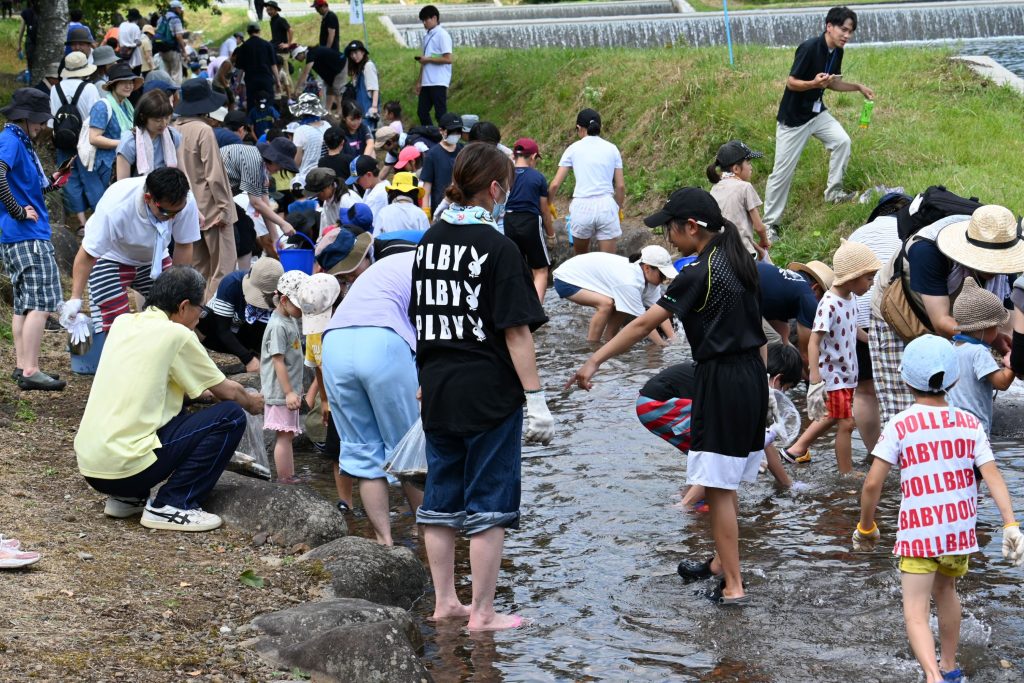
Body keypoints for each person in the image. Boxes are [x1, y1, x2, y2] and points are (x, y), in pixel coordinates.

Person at [568, 187, 768, 604]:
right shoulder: (740, 262)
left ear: (691, 227)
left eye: (670, 230)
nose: (668, 238)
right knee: (725, 481)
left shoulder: (698, 273)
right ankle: (720, 563)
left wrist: (594, 360)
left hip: (721, 380)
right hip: (751, 376)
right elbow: (759, 328)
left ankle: (733, 586)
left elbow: (642, 325)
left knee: (717, 488)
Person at [411, 143, 553, 630]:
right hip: (488, 393)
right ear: (495, 188)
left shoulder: (429, 240)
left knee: (440, 499)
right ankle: (483, 613)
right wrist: (536, 400)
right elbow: (517, 332)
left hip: (437, 388)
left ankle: (445, 603)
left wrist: (424, 378)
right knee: (489, 503)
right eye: (506, 186)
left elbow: (422, 319)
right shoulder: (499, 247)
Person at [853, 334, 1024, 683]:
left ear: (905, 380)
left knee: (915, 613)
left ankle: (932, 676)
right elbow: (993, 477)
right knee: (946, 593)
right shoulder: (970, 424)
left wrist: (866, 526)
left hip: (919, 534)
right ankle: (949, 667)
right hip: (958, 533)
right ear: (954, 380)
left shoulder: (900, 424)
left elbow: (872, 484)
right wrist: (1010, 524)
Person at [75, 266, 264, 532]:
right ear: (184, 306)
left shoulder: (123, 323)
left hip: (92, 466)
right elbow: (228, 392)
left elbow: (153, 385)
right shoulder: (178, 334)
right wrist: (254, 403)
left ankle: (128, 498)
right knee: (230, 416)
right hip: (127, 469)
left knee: (176, 411)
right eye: (201, 308)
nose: (201, 317)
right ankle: (174, 503)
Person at [871, 204, 1024, 428]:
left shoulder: (1000, 244)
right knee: (906, 408)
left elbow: (1007, 319)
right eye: (990, 262)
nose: (995, 269)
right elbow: (941, 322)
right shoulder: (927, 251)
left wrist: (1008, 346)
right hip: (900, 313)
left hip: (960, 324)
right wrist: (1012, 361)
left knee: (947, 404)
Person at [321, 249, 425, 544]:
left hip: (335, 343)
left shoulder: (387, 268)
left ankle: (384, 541)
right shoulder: (436, 265)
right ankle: (427, 536)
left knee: (362, 451)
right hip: (383, 341)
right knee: (409, 451)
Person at [637, 344, 806, 513]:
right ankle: (684, 505)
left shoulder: (746, 374)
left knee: (712, 456)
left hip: (651, 404)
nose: (783, 395)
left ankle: (688, 497)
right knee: (727, 455)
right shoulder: (751, 387)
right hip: (658, 405)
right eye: (786, 389)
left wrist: (787, 484)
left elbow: (767, 446)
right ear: (777, 379)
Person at [762, 6, 875, 231]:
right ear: (829, 26)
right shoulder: (809, 47)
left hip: (816, 113)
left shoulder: (837, 51)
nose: (847, 35)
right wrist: (813, 84)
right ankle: (769, 225)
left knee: (842, 141)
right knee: (782, 173)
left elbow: (832, 83)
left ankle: (833, 193)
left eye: (850, 31)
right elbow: (791, 82)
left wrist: (858, 87)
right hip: (794, 119)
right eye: (843, 30)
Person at [64, 168, 199, 343]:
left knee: (173, 311)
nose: (172, 218)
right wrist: (75, 298)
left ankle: (162, 353)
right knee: (115, 324)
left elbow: (184, 245)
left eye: (177, 212)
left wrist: (178, 288)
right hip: (111, 256)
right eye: (166, 213)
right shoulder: (116, 206)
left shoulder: (185, 201)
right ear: (148, 199)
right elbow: (87, 254)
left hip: (154, 256)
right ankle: (118, 355)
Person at [783, 240, 880, 472]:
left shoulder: (850, 298)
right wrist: (815, 376)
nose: (871, 284)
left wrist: (873, 341)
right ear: (853, 277)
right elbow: (814, 341)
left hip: (847, 372)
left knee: (834, 415)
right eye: (869, 278)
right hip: (833, 374)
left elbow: (853, 328)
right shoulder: (829, 303)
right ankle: (846, 473)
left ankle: (795, 450)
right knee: (847, 422)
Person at [0, 89, 67, 391]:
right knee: (40, 303)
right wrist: (17, 211)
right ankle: (31, 369)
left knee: (23, 306)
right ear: (25, 118)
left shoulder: (17, 141)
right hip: (28, 236)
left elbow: (27, 187)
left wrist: (53, 182)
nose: (41, 126)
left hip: (17, 237)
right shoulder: (11, 141)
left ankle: (21, 365)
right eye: (39, 121)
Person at [845, 193, 907, 452]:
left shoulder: (858, 233)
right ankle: (907, 450)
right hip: (895, 313)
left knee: (865, 390)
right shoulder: (909, 230)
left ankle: (877, 455)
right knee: (906, 384)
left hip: (857, 313)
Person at [173, 79, 236, 301]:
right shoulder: (203, 130)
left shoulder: (174, 129)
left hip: (186, 206)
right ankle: (212, 314)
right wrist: (225, 209)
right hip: (212, 208)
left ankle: (195, 312)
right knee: (223, 269)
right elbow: (214, 174)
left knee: (199, 268)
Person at [552, 248, 677, 345]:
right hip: (566, 279)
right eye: (662, 275)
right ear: (647, 268)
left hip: (581, 274)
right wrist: (661, 345)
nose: (664, 279)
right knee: (606, 304)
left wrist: (673, 339)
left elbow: (659, 310)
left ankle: (609, 339)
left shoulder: (650, 280)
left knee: (624, 305)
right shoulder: (630, 281)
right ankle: (592, 346)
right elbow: (644, 323)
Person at [548, 108, 625, 256]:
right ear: (599, 127)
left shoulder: (573, 149)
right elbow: (620, 186)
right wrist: (619, 208)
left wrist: (549, 203)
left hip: (582, 207)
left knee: (581, 260)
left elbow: (555, 184)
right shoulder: (612, 149)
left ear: (579, 128)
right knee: (609, 262)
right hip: (606, 206)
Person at [945, 278, 1015, 435]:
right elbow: (1002, 383)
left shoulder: (953, 348)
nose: (997, 332)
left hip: (954, 427)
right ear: (984, 328)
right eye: (996, 327)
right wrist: (1012, 362)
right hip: (975, 429)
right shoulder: (978, 352)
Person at [260, 270, 308, 483]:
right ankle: (285, 478)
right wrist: (289, 392)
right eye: (300, 305)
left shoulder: (288, 319)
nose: (303, 310)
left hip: (288, 389)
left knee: (287, 435)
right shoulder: (278, 326)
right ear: (284, 300)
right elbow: (277, 361)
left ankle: (288, 475)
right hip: (281, 391)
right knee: (284, 435)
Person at [220, 136, 298, 259]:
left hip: (223, 196)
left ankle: (243, 269)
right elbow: (256, 203)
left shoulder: (262, 166)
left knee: (246, 230)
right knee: (243, 234)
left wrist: (275, 238)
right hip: (211, 194)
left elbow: (264, 204)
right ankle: (240, 271)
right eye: (281, 166)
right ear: (274, 159)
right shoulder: (254, 161)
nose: (279, 170)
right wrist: (283, 223)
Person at [199, 258, 282, 373]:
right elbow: (222, 329)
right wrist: (248, 359)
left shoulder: (277, 294)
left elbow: (264, 329)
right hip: (220, 329)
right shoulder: (231, 283)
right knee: (204, 318)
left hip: (244, 332)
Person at [50, 52, 101, 229]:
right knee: (91, 179)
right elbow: (96, 116)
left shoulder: (55, 89)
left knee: (69, 179)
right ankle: (99, 220)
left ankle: (81, 223)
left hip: (63, 139)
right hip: (87, 140)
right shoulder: (90, 88)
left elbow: (52, 120)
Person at [758, 259, 833, 369]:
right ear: (816, 288)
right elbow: (806, 355)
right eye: (822, 300)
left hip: (742, 282)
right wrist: (815, 377)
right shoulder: (808, 296)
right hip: (741, 292)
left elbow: (785, 338)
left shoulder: (790, 285)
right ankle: (764, 378)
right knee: (775, 342)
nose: (820, 306)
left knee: (782, 339)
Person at [506, 137, 555, 302]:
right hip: (530, 222)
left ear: (514, 155)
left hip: (509, 221)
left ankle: (517, 306)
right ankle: (536, 311)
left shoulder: (506, 175)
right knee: (541, 271)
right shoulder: (537, 177)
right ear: (533, 157)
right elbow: (544, 210)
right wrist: (551, 235)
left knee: (517, 269)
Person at [708, 140, 771, 259]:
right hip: (742, 254)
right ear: (736, 169)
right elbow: (759, 227)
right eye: (748, 162)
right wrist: (764, 241)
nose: (751, 167)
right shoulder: (745, 187)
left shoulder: (714, 189)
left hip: (720, 254)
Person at [87, 63, 142, 189]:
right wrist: (124, 143)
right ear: (113, 85)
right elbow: (94, 138)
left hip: (125, 160)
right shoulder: (102, 106)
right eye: (124, 82)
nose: (129, 86)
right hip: (108, 164)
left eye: (131, 82)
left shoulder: (127, 105)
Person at [114, 90, 180, 180]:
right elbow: (122, 182)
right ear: (143, 117)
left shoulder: (173, 136)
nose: (164, 123)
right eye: (158, 120)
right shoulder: (130, 142)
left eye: (167, 118)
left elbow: (181, 170)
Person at [415, 5, 453, 126]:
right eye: (423, 20)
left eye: (426, 19)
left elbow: (448, 59)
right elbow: (424, 61)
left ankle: (445, 135)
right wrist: (419, 81)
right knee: (422, 112)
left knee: (440, 114)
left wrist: (429, 59)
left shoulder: (442, 35)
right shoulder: (427, 36)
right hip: (426, 82)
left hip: (438, 81)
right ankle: (431, 134)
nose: (424, 23)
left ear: (435, 18)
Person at [420, 112, 462, 214]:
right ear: (441, 131)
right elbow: (427, 186)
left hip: (462, 208)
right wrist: (426, 211)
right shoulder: (432, 154)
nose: (455, 134)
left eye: (458, 131)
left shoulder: (463, 150)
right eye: (451, 131)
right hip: (441, 210)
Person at [232, 23, 279, 114]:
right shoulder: (267, 45)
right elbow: (273, 65)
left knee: (252, 102)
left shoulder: (243, 47)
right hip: (266, 78)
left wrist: (238, 83)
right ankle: (269, 119)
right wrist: (278, 81)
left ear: (248, 33)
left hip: (251, 80)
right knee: (269, 101)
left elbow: (241, 68)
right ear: (259, 31)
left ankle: (252, 121)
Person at [292, 45, 347, 114]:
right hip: (332, 69)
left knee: (336, 89)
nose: (297, 60)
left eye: (296, 57)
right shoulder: (311, 53)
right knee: (330, 88)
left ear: (300, 53)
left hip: (340, 65)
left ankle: (340, 111)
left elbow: (305, 74)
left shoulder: (310, 54)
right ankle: (328, 111)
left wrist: (297, 89)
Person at [291, 93, 330, 187]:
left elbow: (297, 162)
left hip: (307, 178)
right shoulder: (327, 125)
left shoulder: (300, 130)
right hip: (327, 174)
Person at [154, 0, 187, 87]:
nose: (181, 10)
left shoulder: (161, 18)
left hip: (162, 49)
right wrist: (184, 51)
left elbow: (157, 32)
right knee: (176, 74)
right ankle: (176, 93)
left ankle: (167, 92)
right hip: (173, 49)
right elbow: (178, 36)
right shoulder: (176, 19)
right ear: (176, 8)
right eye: (180, 8)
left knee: (166, 73)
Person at [344, 40, 379, 121]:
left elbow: (375, 88)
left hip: (368, 110)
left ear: (363, 52)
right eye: (351, 54)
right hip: (360, 110)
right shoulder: (359, 69)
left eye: (356, 52)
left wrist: (374, 107)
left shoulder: (368, 66)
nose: (353, 56)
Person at [118, 9, 144, 75]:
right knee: (135, 78)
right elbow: (137, 42)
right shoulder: (135, 27)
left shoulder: (122, 25)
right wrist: (139, 43)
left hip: (123, 55)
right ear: (137, 18)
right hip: (135, 60)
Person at [17, 2, 37, 70]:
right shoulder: (45, 12)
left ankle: (31, 73)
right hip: (40, 42)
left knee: (31, 64)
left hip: (30, 42)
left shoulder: (26, 12)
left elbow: (22, 29)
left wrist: (19, 44)